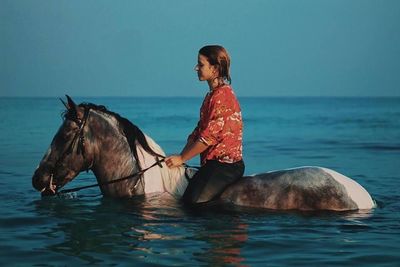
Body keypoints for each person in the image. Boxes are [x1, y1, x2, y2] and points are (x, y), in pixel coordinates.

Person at [165, 45, 245, 205]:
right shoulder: (211, 96)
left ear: (215, 69)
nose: (196, 68)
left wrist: (182, 158)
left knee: (190, 203)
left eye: (200, 64)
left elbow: (208, 138)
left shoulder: (222, 96)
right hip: (212, 163)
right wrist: (180, 158)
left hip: (225, 165)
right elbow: (198, 132)